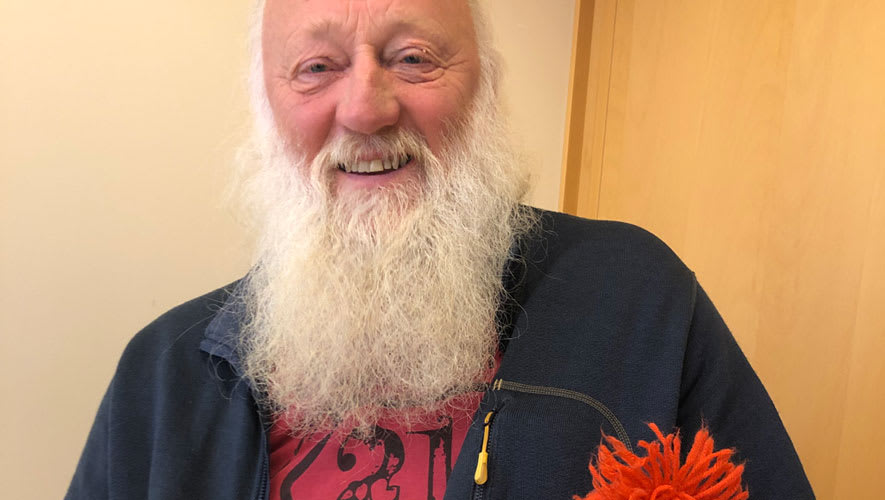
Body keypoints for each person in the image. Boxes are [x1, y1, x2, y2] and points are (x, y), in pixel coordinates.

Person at [66, 0, 815, 499]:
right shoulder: (160, 374)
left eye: (414, 58)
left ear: (484, 87)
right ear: (267, 105)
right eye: (317, 68)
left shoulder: (635, 299)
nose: (365, 109)